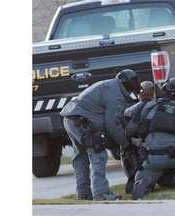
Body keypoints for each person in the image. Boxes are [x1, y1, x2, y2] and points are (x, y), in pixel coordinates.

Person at [60, 69, 141, 201]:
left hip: (71, 119)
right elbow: (112, 125)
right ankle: (101, 192)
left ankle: (83, 193)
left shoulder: (109, 85)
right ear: (129, 84)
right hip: (83, 122)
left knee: (81, 156)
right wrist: (126, 143)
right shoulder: (117, 96)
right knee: (98, 154)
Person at [127, 78, 175, 200]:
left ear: (164, 90)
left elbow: (132, 128)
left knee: (144, 173)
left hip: (153, 156)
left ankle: (146, 184)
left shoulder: (151, 107)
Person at [121, 80, 157, 194]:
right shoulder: (159, 107)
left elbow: (124, 133)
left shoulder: (128, 112)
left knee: (124, 146)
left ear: (138, 95)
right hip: (155, 148)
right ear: (154, 94)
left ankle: (132, 176)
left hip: (135, 153)